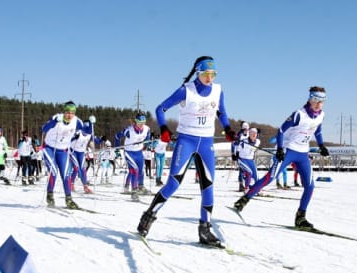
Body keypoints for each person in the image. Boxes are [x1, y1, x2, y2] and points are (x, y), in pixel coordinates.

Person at [136, 56, 236, 247]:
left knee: (208, 186)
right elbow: (160, 108)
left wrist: (228, 128)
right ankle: (148, 217)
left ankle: (205, 230)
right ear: (198, 72)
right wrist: (164, 128)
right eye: (206, 74)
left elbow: (221, 112)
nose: (210, 78)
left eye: (213, 74)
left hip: (206, 143)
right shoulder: (186, 90)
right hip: (186, 140)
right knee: (173, 183)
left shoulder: (217, 90)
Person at [233, 86, 330, 229]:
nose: (318, 103)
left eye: (322, 101)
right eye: (316, 99)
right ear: (310, 99)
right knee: (270, 178)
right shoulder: (299, 114)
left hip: (303, 154)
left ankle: (300, 217)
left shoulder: (321, 115)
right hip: (288, 151)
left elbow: (318, 131)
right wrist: (279, 149)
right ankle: (244, 200)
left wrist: (321, 146)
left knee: (310, 185)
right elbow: (281, 131)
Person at [42, 101, 84, 209]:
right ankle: (50, 195)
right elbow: (44, 129)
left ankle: (69, 199)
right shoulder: (56, 118)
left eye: (72, 112)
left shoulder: (76, 121)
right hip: (49, 148)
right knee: (54, 172)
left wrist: (90, 125)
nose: (69, 115)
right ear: (64, 112)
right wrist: (54, 122)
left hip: (63, 150)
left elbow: (86, 130)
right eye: (67, 112)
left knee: (66, 174)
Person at [114, 112, 151, 200]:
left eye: (143, 123)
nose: (141, 125)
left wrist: (146, 145)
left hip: (138, 152)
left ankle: (141, 187)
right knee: (135, 170)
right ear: (136, 121)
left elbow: (148, 138)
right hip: (129, 152)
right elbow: (116, 136)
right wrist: (117, 148)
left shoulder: (147, 129)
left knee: (141, 170)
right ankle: (134, 191)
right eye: (139, 123)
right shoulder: (129, 130)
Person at [69, 118, 96, 193]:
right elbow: (69, 140)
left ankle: (85, 187)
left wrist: (102, 139)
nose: (86, 134)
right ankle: (71, 184)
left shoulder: (90, 134)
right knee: (76, 168)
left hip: (81, 153)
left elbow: (95, 140)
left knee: (83, 169)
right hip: (73, 151)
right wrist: (74, 138)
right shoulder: (78, 132)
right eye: (85, 132)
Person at [234, 127, 260, 192]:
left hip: (250, 160)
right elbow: (236, 147)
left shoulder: (258, 142)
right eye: (252, 133)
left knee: (256, 175)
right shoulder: (244, 141)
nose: (254, 135)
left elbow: (254, 149)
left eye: (255, 133)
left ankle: (257, 188)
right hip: (242, 159)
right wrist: (235, 156)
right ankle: (246, 188)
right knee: (249, 172)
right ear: (249, 134)